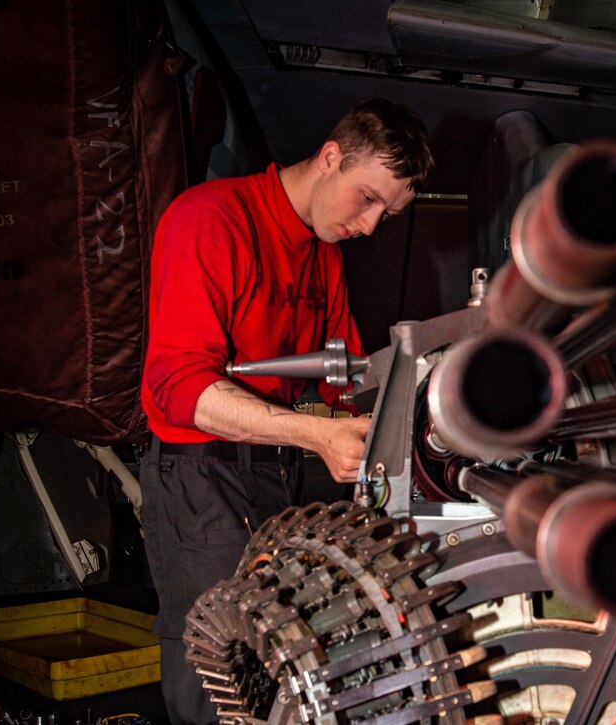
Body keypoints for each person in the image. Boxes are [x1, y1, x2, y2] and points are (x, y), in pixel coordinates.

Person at [139, 97, 433, 724]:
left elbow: (344, 386)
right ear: (331, 157)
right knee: (215, 678)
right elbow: (177, 387)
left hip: (277, 475)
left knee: (281, 675)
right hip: (202, 478)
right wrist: (315, 435)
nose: (373, 224)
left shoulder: (321, 253)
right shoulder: (210, 219)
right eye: (369, 198)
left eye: (390, 211)